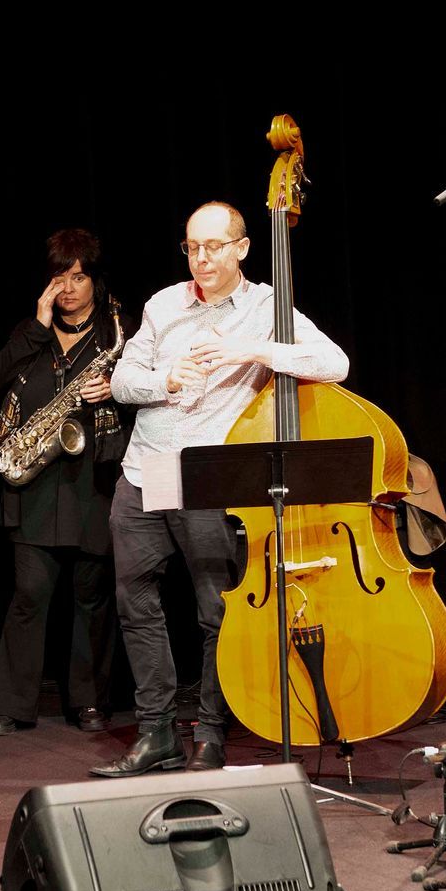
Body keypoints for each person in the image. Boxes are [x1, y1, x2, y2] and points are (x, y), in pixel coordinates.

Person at [96, 202, 349, 776]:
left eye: (213, 246)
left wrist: (254, 351)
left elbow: (335, 362)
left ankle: (211, 735)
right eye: (192, 247)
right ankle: (157, 733)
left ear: (242, 248)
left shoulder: (266, 308)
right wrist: (165, 379)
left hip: (212, 478)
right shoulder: (163, 304)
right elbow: (122, 381)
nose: (201, 258)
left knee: (217, 613)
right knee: (136, 606)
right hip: (146, 472)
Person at [0, 228, 130, 737]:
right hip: (35, 487)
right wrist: (38, 325)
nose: (67, 288)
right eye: (58, 277)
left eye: (78, 277)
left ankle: (88, 701)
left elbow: (149, 396)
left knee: (92, 596)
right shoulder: (33, 333)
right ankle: (12, 705)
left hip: (94, 482)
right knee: (29, 594)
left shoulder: (118, 335)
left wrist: (116, 389)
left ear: (95, 280)